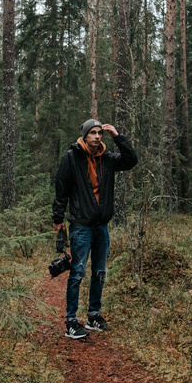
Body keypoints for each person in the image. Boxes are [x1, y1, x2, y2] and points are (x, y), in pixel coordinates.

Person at [52, 118, 138, 339]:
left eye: (100, 133)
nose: (98, 136)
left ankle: (93, 316)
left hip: (102, 226)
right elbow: (61, 189)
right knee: (77, 273)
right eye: (93, 133)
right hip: (81, 226)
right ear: (84, 135)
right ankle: (71, 321)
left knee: (99, 272)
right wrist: (58, 220)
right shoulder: (71, 158)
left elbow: (131, 160)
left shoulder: (108, 159)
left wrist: (118, 136)